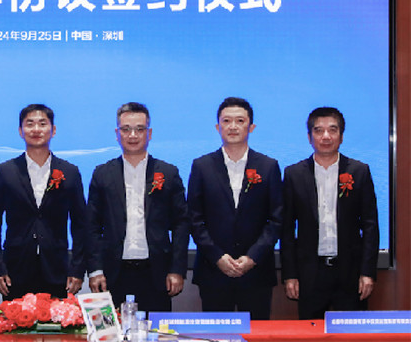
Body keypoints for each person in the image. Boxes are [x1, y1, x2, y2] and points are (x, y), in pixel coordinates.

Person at [87, 102, 190, 311]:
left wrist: (177, 269)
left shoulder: (168, 173)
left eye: (139, 129)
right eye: (126, 129)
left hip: (156, 273)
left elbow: (181, 224)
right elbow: (92, 226)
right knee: (113, 329)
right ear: (117, 134)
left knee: (156, 329)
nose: (132, 135)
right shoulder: (102, 173)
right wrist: (95, 270)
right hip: (113, 273)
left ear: (149, 133)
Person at [187, 97, 282, 319]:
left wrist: (252, 257)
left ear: (251, 127)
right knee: (217, 333)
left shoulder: (268, 166)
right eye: (226, 121)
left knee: (256, 333)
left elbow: (277, 219)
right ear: (218, 127)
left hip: (257, 272)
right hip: (213, 272)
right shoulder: (202, 166)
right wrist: (217, 256)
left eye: (240, 121)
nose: (233, 126)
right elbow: (194, 218)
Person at [281, 107, 380, 319]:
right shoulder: (294, 174)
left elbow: (370, 225)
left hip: (350, 272)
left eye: (332, 130)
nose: (325, 136)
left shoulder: (359, 171)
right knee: (311, 332)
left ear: (341, 136)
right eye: (318, 130)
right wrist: (290, 274)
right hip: (310, 273)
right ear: (309, 137)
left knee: (352, 332)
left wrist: (367, 272)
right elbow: (286, 229)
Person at [0, 104, 86, 300]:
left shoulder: (69, 172)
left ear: (53, 130)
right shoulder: (6, 171)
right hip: (15, 270)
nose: (36, 129)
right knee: (15, 320)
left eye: (42, 124)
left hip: (57, 269)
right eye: (30, 124)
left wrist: (77, 268)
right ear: (20, 131)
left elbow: (81, 224)